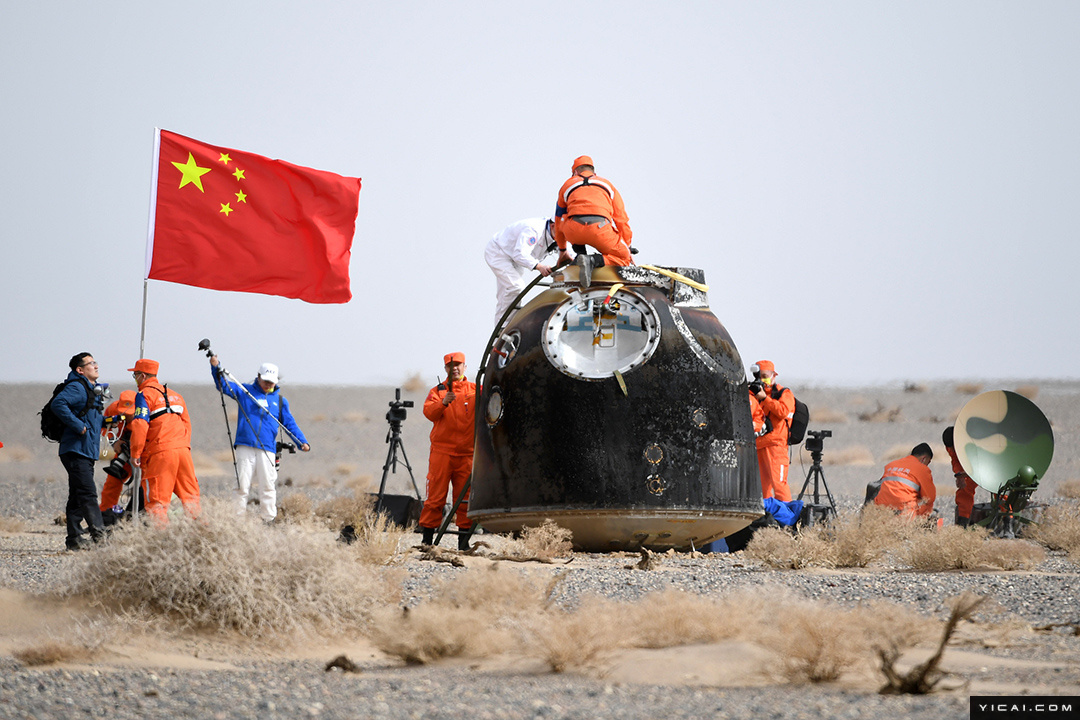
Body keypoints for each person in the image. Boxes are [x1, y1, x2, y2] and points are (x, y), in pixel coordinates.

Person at [209, 357, 310, 522]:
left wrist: (302, 442)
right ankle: (237, 519)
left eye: (271, 382)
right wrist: (215, 367)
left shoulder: (280, 401)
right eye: (265, 381)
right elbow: (222, 385)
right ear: (258, 376)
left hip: (267, 448)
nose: (268, 384)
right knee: (242, 485)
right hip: (245, 446)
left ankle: (268, 519)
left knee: (268, 486)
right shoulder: (244, 391)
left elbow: (289, 423)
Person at [127, 359, 200, 522]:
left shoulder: (144, 395)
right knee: (191, 498)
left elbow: (140, 425)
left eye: (135, 375)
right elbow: (187, 424)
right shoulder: (176, 396)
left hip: (161, 453)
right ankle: (202, 532)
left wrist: (135, 453)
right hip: (183, 451)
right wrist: (182, 446)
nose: (135, 379)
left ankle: (161, 536)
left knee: (156, 502)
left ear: (142, 376)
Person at [420, 352, 476, 550]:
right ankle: (427, 541)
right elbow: (429, 413)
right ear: (445, 369)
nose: (455, 368)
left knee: (465, 499)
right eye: (450, 365)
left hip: (468, 454)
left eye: (458, 364)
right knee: (435, 497)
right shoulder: (437, 391)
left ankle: (464, 544)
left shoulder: (476, 390)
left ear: (465, 367)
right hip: (442, 453)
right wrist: (444, 402)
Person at [51, 352, 106, 550]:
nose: (96, 366)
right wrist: (78, 426)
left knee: (77, 494)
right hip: (76, 450)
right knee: (88, 493)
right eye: (91, 363)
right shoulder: (77, 387)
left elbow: (91, 417)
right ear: (80, 370)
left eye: (95, 362)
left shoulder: (89, 389)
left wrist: (109, 421)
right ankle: (101, 538)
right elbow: (58, 404)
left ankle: (74, 539)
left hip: (85, 450)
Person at [554, 155, 634, 268]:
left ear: (575, 172)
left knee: (564, 219)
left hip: (574, 231)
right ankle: (592, 260)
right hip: (600, 230)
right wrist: (627, 246)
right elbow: (621, 219)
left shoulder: (567, 185)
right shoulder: (607, 185)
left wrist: (562, 250)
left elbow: (558, 221)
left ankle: (580, 256)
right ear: (594, 172)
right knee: (624, 258)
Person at [484, 217, 556, 325]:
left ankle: (503, 327)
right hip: (499, 252)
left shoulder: (557, 235)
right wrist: (539, 266)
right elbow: (520, 254)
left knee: (507, 293)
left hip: (513, 258)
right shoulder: (534, 230)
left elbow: (569, 253)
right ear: (553, 226)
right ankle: (504, 327)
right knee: (515, 287)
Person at [751, 360, 795, 501]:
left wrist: (765, 399)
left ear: (773, 376)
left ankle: (786, 513)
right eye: (759, 376)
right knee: (762, 488)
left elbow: (783, 411)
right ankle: (766, 513)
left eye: (765, 376)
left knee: (779, 484)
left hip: (776, 445)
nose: (762, 379)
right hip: (760, 445)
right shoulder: (754, 394)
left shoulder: (784, 393)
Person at [99, 389, 141, 524]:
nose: (126, 416)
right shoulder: (113, 409)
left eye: (130, 413)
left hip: (144, 453)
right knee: (112, 482)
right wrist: (114, 442)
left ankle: (137, 518)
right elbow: (104, 426)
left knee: (145, 486)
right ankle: (105, 517)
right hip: (123, 451)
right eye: (124, 413)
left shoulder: (146, 412)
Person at [865, 443, 936, 517]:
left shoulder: (891, 464)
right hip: (903, 511)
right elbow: (929, 498)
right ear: (924, 459)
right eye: (928, 462)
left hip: (882, 508)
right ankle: (919, 523)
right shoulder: (923, 469)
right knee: (928, 504)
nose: (927, 465)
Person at [943, 426, 978, 527]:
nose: (953, 450)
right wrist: (959, 475)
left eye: (954, 447)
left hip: (987, 465)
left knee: (1000, 489)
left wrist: (965, 473)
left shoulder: (974, 441)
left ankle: (1008, 522)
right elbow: (955, 460)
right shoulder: (951, 446)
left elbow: (980, 463)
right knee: (964, 490)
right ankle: (963, 524)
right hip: (969, 470)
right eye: (951, 448)